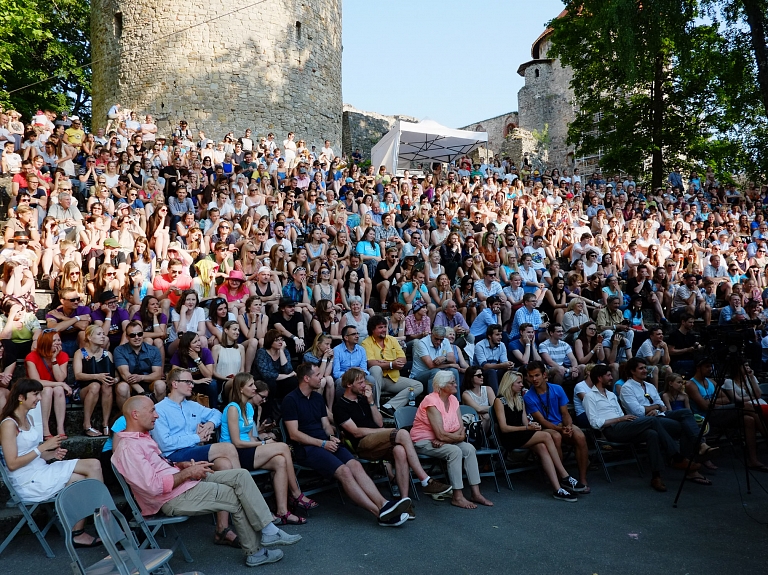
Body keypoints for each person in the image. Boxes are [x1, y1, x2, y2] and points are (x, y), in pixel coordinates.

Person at [112, 394, 300, 568]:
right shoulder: (130, 448)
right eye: (152, 410)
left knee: (240, 475)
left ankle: (268, 530)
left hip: (182, 485)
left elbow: (157, 470)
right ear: (135, 415)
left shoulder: (140, 439)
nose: (157, 416)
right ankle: (255, 552)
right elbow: (153, 487)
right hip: (171, 498)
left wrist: (181, 466)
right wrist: (188, 473)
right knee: (233, 495)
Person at [282, 363, 411, 527]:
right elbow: (294, 434)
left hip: (325, 442)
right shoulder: (290, 400)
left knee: (355, 465)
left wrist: (330, 436)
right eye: (318, 375)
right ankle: (379, 513)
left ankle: (384, 504)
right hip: (306, 448)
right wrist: (322, 443)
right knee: (344, 472)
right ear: (306, 379)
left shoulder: (316, 397)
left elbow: (325, 425)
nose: (321, 378)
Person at [0, 378, 104, 547]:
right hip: (27, 482)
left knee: (90, 472)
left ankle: (82, 530)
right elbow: (12, 464)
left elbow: (34, 455)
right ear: (20, 397)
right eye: (35, 394)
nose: (39, 398)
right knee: (92, 466)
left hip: (41, 471)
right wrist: (42, 449)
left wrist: (51, 454)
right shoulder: (8, 425)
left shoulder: (29, 419)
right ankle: (102, 522)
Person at [333, 367, 452, 508]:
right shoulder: (340, 405)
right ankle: (425, 480)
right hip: (362, 444)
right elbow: (356, 432)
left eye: (364, 381)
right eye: (360, 383)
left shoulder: (364, 400)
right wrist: (383, 431)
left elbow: (379, 422)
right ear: (349, 384)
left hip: (379, 440)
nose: (364, 385)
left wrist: (371, 403)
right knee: (401, 433)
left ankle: (404, 500)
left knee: (400, 451)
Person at [583, 364, 702, 492]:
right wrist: (619, 419)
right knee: (652, 421)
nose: (612, 377)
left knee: (652, 434)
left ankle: (656, 476)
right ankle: (676, 457)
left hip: (624, 425)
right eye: (608, 375)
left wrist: (623, 418)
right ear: (600, 378)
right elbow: (594, 423)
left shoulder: (611, 395)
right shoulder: (590, 397)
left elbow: (621, 414)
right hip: (611, 429)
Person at [221, 374, 316, 525]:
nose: (254, 388)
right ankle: (297, 494)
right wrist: (264, 445)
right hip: (235, 454)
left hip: (248, 450)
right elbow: (237, 442)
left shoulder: (249, 408)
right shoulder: (233, 408)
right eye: (251, 385)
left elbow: (251, 437)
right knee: (283, 447)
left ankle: (282, 511)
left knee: (280, 461)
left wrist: (263, 440)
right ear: (240, 389)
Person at [493, 371, 582, 502]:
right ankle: (564, 475)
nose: (522, 385)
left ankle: (557, 489)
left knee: (542, 447)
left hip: (521, 433)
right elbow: (504, 428)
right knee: (546, 436)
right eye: (518, 382)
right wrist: (527, 428)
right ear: (509, 383)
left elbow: (524, 422)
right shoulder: (499, 401)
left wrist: (532, 425)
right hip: (509, 437)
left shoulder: (519, 398)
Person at [410, 370, 493, 509]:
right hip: (424, 440)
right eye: (452, 382)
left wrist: (451, 438)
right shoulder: (431, 401)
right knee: (455, 451)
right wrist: (453, 438)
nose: (456, 384)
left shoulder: (453, 399)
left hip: (446, 439)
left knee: (469, 448)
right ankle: (457, 496)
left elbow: (460, 426)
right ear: (442, 386)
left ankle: (476, 493)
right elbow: (440, 434)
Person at [522, 361, 590, 493]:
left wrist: (568, 426)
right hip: (544, 427)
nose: (534, 379)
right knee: (557, 437)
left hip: (560, 423)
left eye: (537, 375)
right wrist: (561, 429)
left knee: (580, 436)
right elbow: (541, 420)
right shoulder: (529, 396)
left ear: (544, 375)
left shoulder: (557, 389)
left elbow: (565, 413)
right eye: (531, 376)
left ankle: (583, 478)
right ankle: (561, 477)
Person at [687, 358, 766, 471]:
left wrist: (712, 402)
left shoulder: (712, 381)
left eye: (711, 366)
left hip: (719, 412)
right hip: (706, 417)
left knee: (749, 419)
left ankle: (753, 460)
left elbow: (726, 399)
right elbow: (704, 406)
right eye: (707, 366)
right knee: (747, 405)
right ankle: (766, 434)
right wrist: (714, 402)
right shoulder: (691, 384)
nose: (710, 369)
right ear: (698, 368)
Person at [360, 315, 423, 418]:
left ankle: (389, 405)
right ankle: (376, 407)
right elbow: (371, 363)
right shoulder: (366, 343)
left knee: (418, 386)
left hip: (392, 379)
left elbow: (403, 359)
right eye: (380, 327)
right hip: (376, 379)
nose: (384, 330)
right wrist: (391, 364)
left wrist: (384, 363)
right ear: (372, 329)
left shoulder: (392, 339)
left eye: (385, 327)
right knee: (376, 369)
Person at [73, 325, 117, 437]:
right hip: (84, 389)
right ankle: (87, 424)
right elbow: (78, 375)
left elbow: (116, 375)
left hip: (104, 390)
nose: (103, 337)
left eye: (103, 334)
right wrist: (97, 376)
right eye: (99, 334)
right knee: (95, 386)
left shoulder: (108, 354)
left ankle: (105, 423)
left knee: (107, 386)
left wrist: (115, 379)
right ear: (89, 337)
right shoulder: (80, 353)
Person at [25, 330, 70, 439]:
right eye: (54, 340)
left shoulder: (63, 355)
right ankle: (45, 428)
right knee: (48, 389)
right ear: (46, 342)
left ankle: (60, 428)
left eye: (59, 340)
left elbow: (61, 377)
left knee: (58, 389)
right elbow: (36, 381)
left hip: (55, 388)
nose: (58, 343)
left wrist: (54, 359)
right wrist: (61, 384)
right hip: (36, 388)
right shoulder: (31, 357)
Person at [114, 320, 165, 407]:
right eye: (132, 335)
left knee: (161, 385)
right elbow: (125, 374)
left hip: (148, 381)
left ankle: (157, 415)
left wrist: (141, 377)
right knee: (122, 388)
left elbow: (157, 374)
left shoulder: (154, 350)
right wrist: (142, 392)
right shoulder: (119, 350)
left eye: (140, 334)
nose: (137, 337)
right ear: (127, 337)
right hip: (129, 384)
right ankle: (125, 417)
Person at [410, 326, 461, 394]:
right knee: (436, 372)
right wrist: (450, 364)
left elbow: (453, 359)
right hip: (420, 374)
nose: (438, 342)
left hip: (438, 370)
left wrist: (445, 358)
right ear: (431, 334)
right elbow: (431, 366)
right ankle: (433, 401)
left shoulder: (445, 341)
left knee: (453, 371)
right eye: (436, 339)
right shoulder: (422, 343)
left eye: (441, 340)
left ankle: (456, 401)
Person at [45, 287, 92, 356]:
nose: (76, 302)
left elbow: (83, 326)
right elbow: (54, 329)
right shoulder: (54, 313)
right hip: (60, 344)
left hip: (78, 342)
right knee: (53, 335)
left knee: (82, 334)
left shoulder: (84, 309)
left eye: (78, 299)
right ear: (62, 301)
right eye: (72, 300)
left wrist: (62, 317)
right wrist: (78, 318)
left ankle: (85, 360)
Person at [539, 323, 586, 388]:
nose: (561, 333)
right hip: (550, 370)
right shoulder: (543, 345)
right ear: (551, 333)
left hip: (563, 368)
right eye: (558, 331)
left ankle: (578, 390)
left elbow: (573, 359)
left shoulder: (564, 344)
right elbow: (549, 362)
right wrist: (568, 370)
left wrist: (575, 369)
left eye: (562, 331)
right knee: (560, 369)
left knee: (583, 367)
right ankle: (557, 393)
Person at [473, 324, 514, 394]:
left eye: (501, 335)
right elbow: (484, 366)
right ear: (489, 336)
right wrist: (502, 365)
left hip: (495, 370)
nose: (500, 337)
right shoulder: (479, 345)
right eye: (497, 335)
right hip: (480, 372)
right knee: (491, 372)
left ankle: (511, 396)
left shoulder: (502, 345)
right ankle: (496, 398)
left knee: (512, 371)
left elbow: (504, 362)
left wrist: (509, 365)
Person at [460, 367, 496, 434]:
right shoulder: (466, 394)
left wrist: (483, 411)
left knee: (487, 416)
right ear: (471, 378)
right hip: (475, 423)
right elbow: (478, 409)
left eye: (482, 375)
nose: (482, 377)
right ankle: (481, 440)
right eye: (479, 375)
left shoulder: (488, 389)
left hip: (491, 419)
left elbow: (496, 406)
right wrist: (490, 408)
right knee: (486, 416)